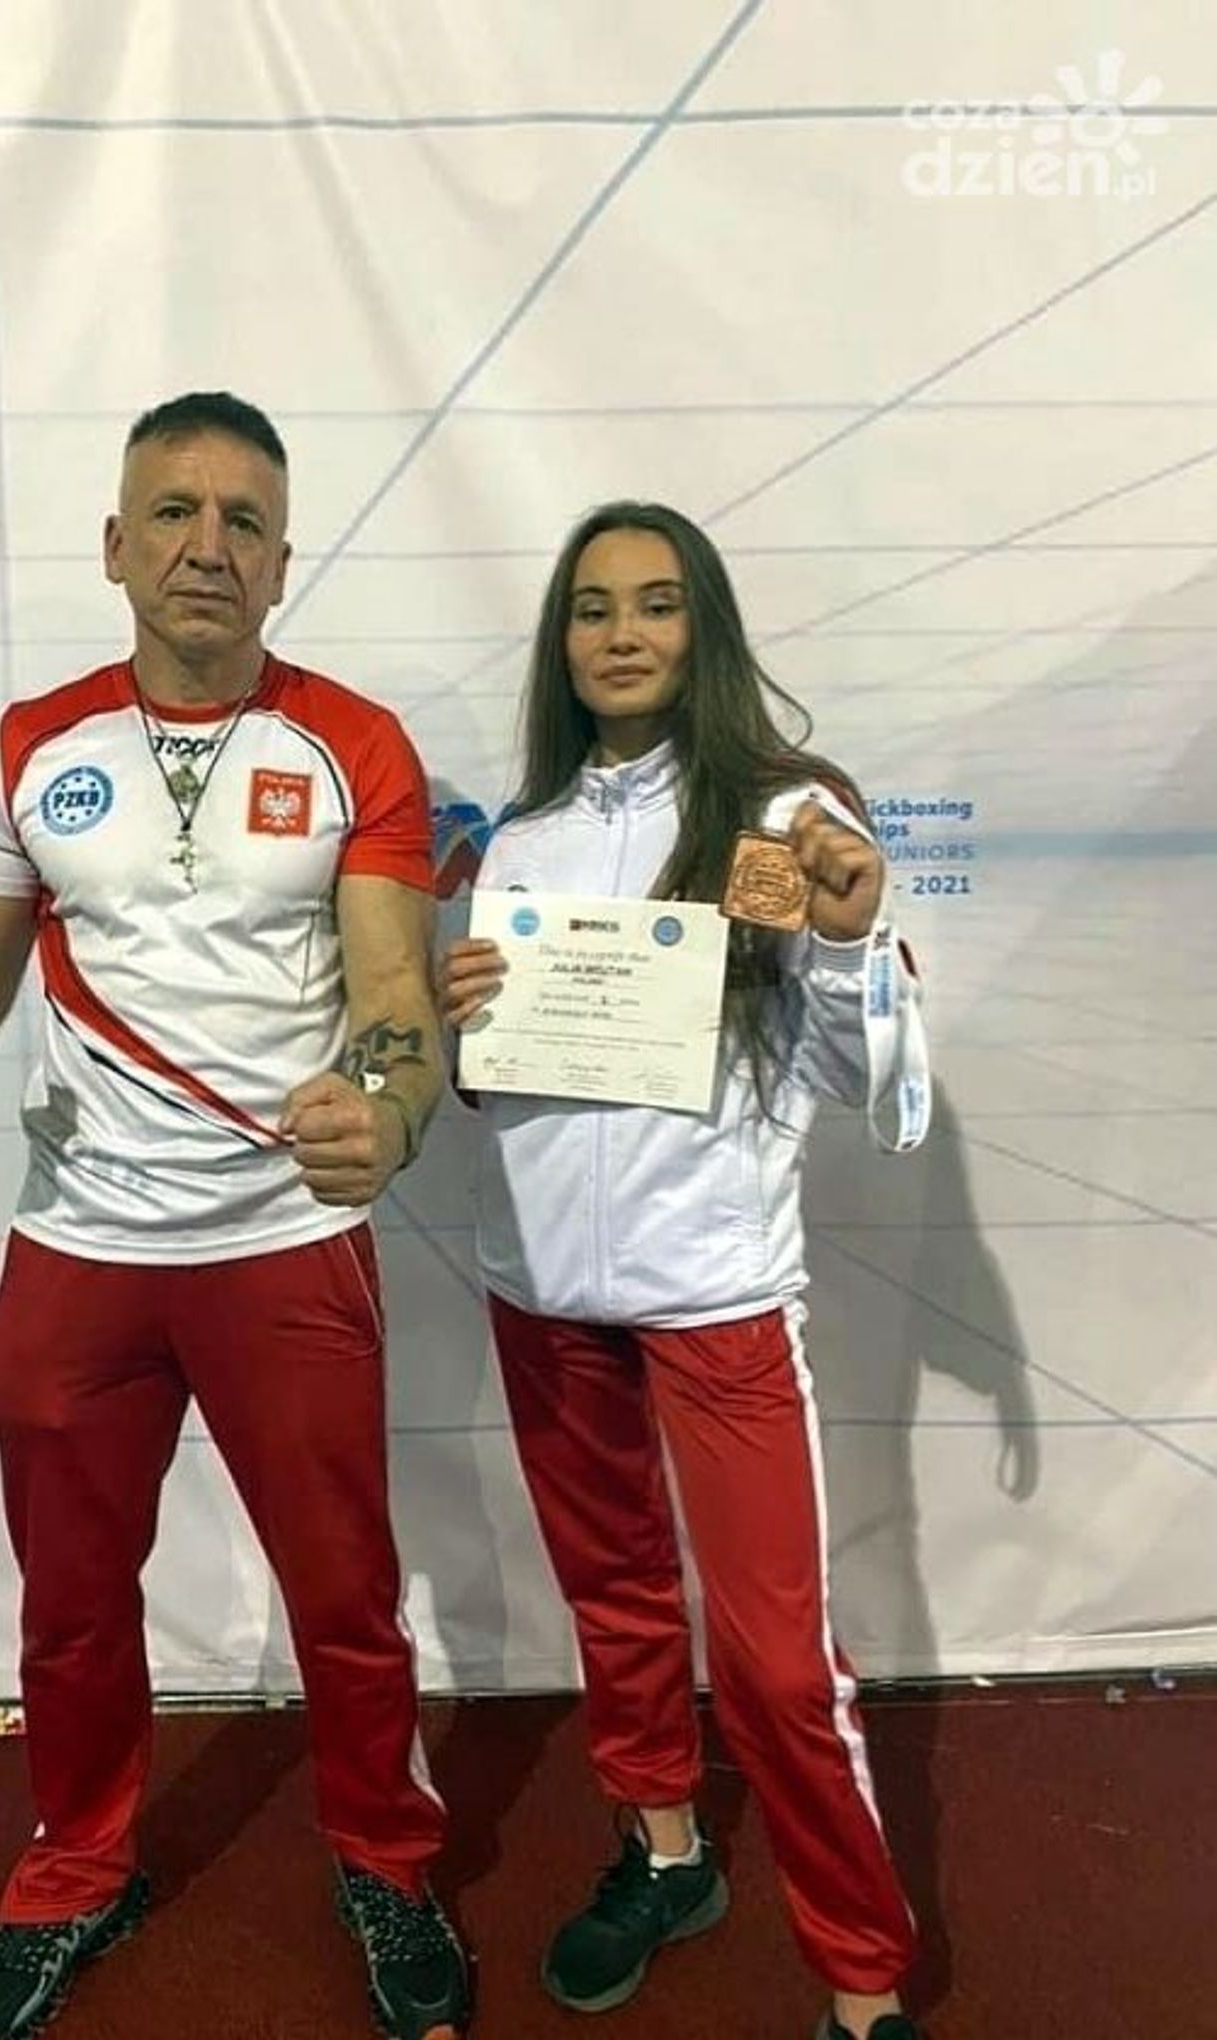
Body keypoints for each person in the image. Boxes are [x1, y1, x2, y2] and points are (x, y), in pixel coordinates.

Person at [0, 392, 471, 2040]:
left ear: (281, 560)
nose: (209, 545)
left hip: (281, 1243)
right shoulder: (27, 746)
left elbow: (394, 998)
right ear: (116, 546)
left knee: (344, 1600)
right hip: (79, 1248)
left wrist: (387, 1113)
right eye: (176, 513)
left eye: (244, 519)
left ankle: (385, 1861)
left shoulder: (355, 744)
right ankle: (76, 1868)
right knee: (69, 1607)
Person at [439, 502, 931, 2040]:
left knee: (778, 1669)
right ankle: (664, 1856)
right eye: (592, 608)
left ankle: (861, 1984)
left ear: (701, 627)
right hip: (541, 1292)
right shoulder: (521, 839)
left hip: (713, 1292)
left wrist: (845, 942)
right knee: (615, 1597)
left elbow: (858, 1080)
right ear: (560, 642)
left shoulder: (775, 820)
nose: (622, 634)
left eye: (655, 604)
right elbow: (494, 1088)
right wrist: (468, 1020)